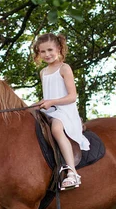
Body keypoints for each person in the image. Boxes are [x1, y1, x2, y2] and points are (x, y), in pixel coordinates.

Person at [33, 33, 90, 190]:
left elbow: (72, 96)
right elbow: (48, 97)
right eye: (42, 51)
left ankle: (72, 172)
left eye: (50, 50)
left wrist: (52, 102)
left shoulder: (64, 68)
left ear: (58, 48)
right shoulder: (43, 72)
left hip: (65, 111)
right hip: (50, 111)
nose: (47, 54)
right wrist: (38, 104)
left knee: (56, 128)